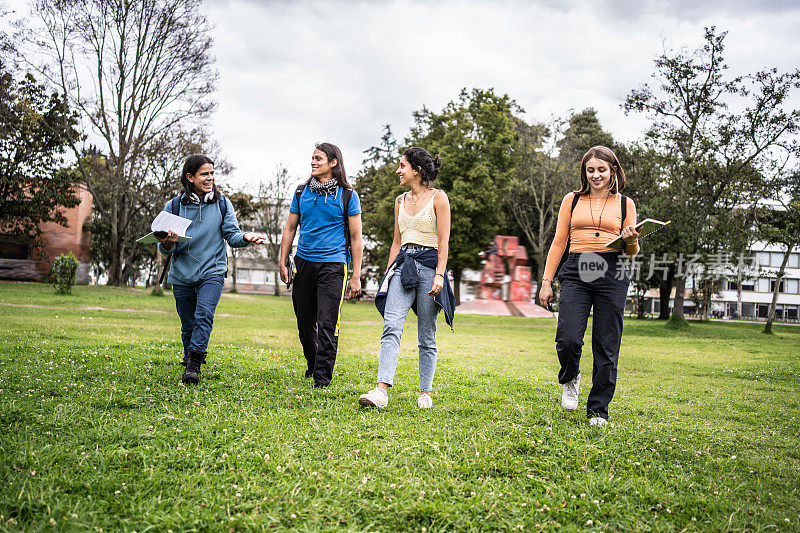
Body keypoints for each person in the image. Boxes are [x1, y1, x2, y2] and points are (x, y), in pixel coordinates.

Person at [538, 146, 640, 426]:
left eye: (602, 170)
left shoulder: (625, 204)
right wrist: (546, 281)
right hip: (577, 269)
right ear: (584, 172)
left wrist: (630, 237)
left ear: (613, 171)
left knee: (607, 344)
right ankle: (570, 376)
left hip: (612, 271)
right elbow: (559, 242)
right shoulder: (571, 200)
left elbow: (632, 251)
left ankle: (598, 409)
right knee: (568, 337)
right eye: (590, 170)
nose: (596, 175)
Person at [157, 154, 267, 384]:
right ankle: (189, 357)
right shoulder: (174, 206)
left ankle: (194, 365)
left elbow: (232, 235)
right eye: (204, 174)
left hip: (213, 271)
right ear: (190, 177)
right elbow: (165, 249)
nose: (210, 178)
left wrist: (245, 236)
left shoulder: (222, 203)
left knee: (204, 314)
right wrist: (168, 242)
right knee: (188, 323)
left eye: (212, 173)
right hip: (182, 274)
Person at [359, 147, 453, 409]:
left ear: (417, 170)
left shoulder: (439, 198)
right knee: (391, 326)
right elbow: (395, 243)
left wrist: (439, 276)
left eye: (402, 166)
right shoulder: (399, 201)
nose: (398, 170)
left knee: (426, 333)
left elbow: (444, 242)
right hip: (402, 267)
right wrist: (388, 275)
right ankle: (381, 391)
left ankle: (425, 392)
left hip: (429, 267)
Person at [279, 142, 363, 388]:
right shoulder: (300, 192)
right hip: (303, 263)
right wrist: (282, 261)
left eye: (319, 158)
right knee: (304, 323)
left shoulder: (348, 195)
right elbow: (290, 228)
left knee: (327, 321)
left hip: (333, 266)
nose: (313, 162)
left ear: (333, 162)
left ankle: (322, 377)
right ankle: (313, 363)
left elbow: (357, 238)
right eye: (312, 158)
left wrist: (356, 275)